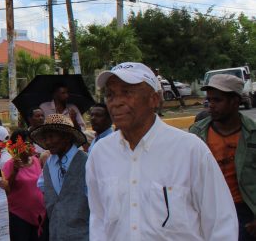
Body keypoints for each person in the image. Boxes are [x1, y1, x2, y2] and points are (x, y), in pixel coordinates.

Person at [88, 62, 236, 240]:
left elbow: (221, 223)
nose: (116, 102)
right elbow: (98, 220)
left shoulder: (189, 150)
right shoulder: (100, 153)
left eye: (127, 92)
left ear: (154, 99)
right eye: (110, 95)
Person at [189, 74, 256, 240]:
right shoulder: (196, 134)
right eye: (209, 100)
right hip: (208, 209)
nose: (211, 105)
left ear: (235, 101)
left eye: (217, 100)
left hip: (244, 211)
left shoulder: (252, 134)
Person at [32, 114, 89, 240]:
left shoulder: (85, 162)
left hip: (82, 234)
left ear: (67, 137)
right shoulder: (49, 162)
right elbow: (42, 185)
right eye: (45, 138)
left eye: (52, 137)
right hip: (56, 232)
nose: (48, 142)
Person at [3, 131, 47, 241]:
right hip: (19, 216)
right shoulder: (10, 164)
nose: (31, 146)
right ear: (16, 146)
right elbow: (7, 189)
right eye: (27, 143)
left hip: (39, 214)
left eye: (31, 143)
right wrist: (15, 171)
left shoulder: (36, 161)